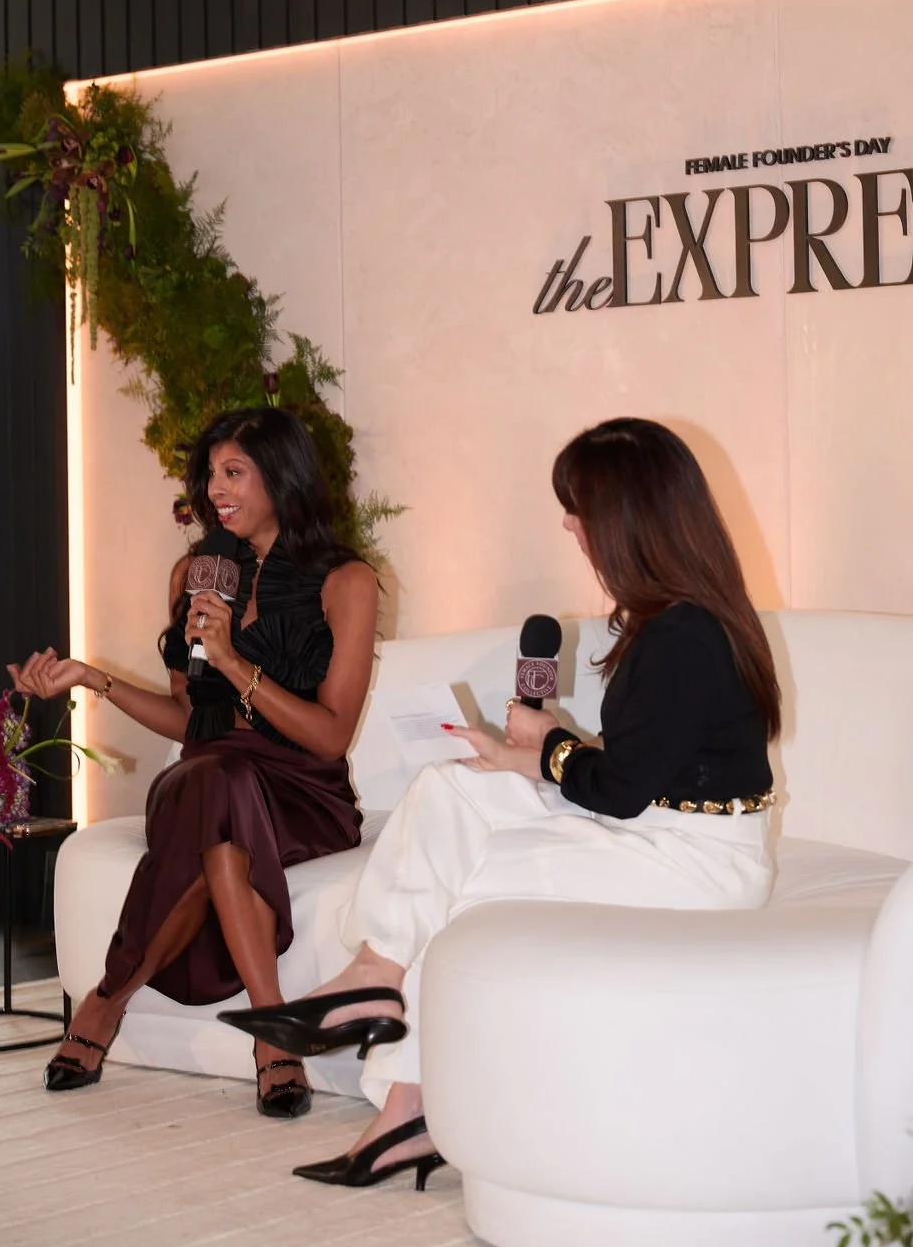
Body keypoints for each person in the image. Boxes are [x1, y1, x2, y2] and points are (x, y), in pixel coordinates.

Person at [222, 417, 781, 1185]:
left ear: (626, 516)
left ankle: (407, 1109)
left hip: (693, 859)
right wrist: (521, 755)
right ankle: (375, 972)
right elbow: (643, 769)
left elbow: (619, 792)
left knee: (470, 892)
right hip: (658, 825)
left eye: (578, 506)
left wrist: (548, 747)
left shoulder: (684, 634)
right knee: (450, 789)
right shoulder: (674, 619)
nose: (569, 524)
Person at [9, 407, 378, 1118]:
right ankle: (273, 1028)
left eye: (233, 472)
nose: (216, 490)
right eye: (211, 474)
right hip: (208, 776)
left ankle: (106, 1002)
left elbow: (330, 738)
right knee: (214, 776)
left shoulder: (346, 582)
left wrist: (237, 664)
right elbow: (190, 720)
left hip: (302, 792)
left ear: (283, 476)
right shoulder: (195, 574)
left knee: (220, 787)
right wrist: (93, 678)